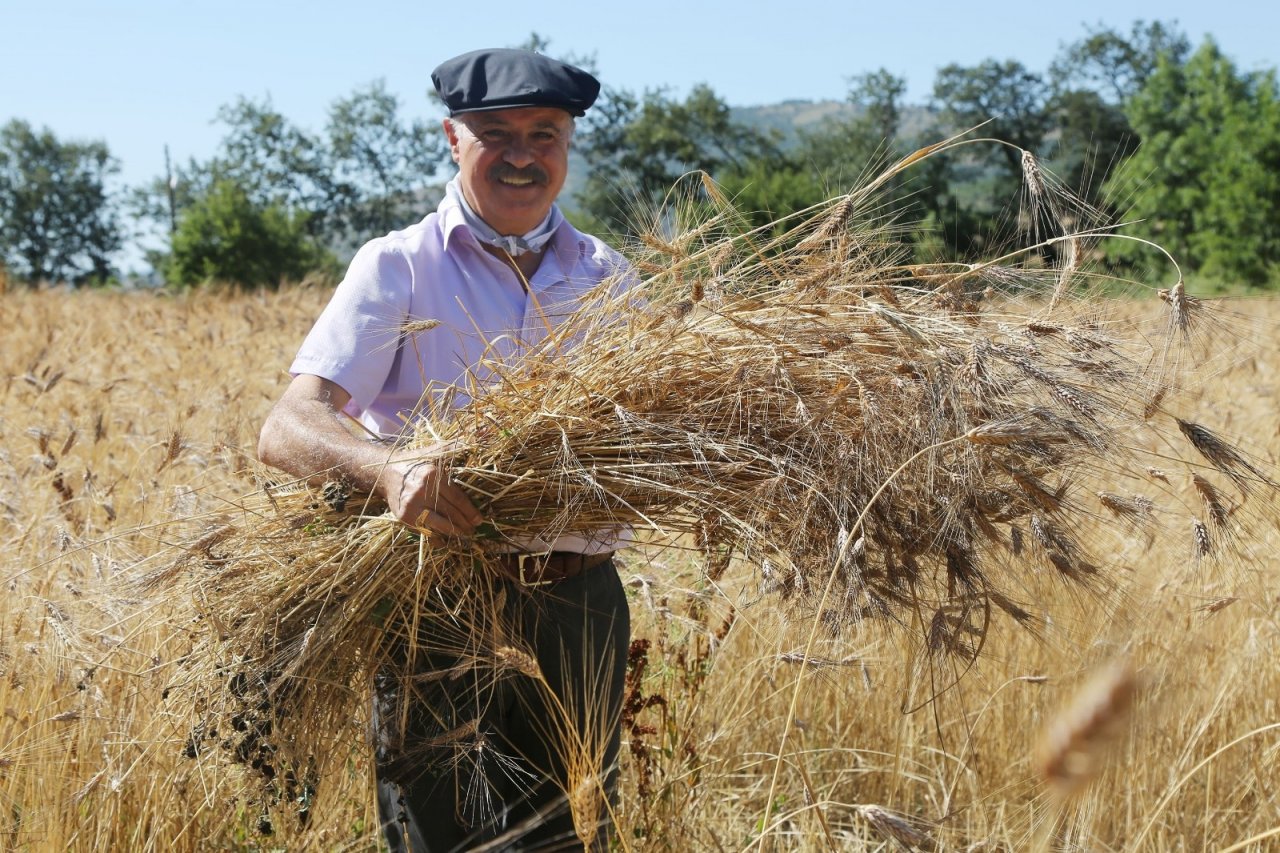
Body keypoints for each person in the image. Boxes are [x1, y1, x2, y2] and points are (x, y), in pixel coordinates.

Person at [257, 48, 631, 851]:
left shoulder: (610, 278)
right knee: (448, 839)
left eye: (546, 133)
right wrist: (386, 469)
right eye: (497, 134)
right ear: (451, 139)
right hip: (441, 606)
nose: (524, 154)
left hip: (580, 607)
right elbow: (287, 425)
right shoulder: (397, 266)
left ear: (568, 145)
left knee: (575, 836)